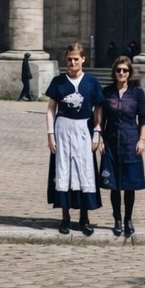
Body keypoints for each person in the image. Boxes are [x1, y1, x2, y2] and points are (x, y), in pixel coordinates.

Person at [45, 42, 104, 236]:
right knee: (64, 171)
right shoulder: (58, 81)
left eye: (76, 59)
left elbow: (98, 108)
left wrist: (97, 132)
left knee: (84, 170)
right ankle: (65, 218)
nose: (72, 62)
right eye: (69, 59)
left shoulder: (92, 82)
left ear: (83, 59)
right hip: (63, 129)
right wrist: (50, 134)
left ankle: (84, 219)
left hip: (83, 129)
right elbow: (51, 109)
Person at [100, 53, 145, 238]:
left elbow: (143, 118)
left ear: (129, 73)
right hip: (111, 142)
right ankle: (117, 220)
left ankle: (128, 219)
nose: (122, 73)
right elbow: (100, 119)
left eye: (125, 70)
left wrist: (141, 140)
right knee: (114, 184)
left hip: (130, 142)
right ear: (114, 72)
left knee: (129, 184)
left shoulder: (137, 93)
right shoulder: (107, 92)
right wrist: (100, 139)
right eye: (119, 70)